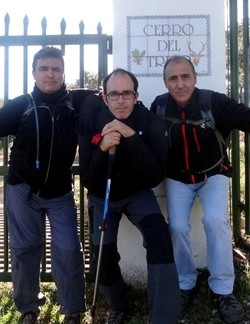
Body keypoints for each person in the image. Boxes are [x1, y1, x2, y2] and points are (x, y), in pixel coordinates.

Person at [78, 68, 181, 324]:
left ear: (136, 96)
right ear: (105, 97)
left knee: (159, 236)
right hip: (103, 195)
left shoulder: (149, 121)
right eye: (114, 94)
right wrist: (102, 148)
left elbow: (154, 175)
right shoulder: (91, 117)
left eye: (127, 93)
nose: (121, 99)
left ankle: (164, 316)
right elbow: (89, 179)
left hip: (137, 193)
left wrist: (131, 137)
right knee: (104, 251)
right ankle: (118, 305)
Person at [0, 46, 94, 324]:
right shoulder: (21, 104)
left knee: (68, 250)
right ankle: (29, 307)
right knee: (26, 249)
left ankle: (73, 310)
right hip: (22, 190)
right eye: (44, 68)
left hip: (60, 192)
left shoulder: (77, 102)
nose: (50, 74)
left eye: (56, 69)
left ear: (64, 74)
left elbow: (113, 95)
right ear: (33, 73)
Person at [150, 55, 247, 324]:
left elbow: (243, 116)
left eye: (185, 77)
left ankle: (223, 289)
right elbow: (142, 132)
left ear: (194, 78)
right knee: (177, 227)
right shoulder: (158, 105)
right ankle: (185, 282)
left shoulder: (212, 101)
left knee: (215, 221)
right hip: (178, 178)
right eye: (173, 78)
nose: (180, 83)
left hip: (213, 173)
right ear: (165, 81)